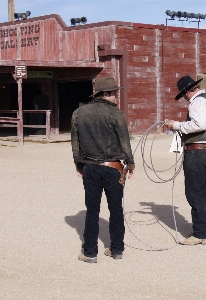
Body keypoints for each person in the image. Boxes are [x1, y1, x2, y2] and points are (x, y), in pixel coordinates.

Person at [71, 77, 135, 263]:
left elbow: (75, 143)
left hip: (90, 168)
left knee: (92, 211)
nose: (116, 96)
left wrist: (78, 165)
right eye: (114, 93)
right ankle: (117, 250)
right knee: (116, 209)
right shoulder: (116, 114)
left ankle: (90, 252)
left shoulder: (78, 113)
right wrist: (130, 163)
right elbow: (125, 141)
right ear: (106, 94)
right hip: (114, 168)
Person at [165, 75, 206, 245]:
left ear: (187, 92)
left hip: (197, 152)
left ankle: (200, 234)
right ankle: (205, 228)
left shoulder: (198, 102)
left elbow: (199, 125)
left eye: (183, 95)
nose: (185, 99)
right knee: (203, 190)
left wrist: (176, 125)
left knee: (195, 192)